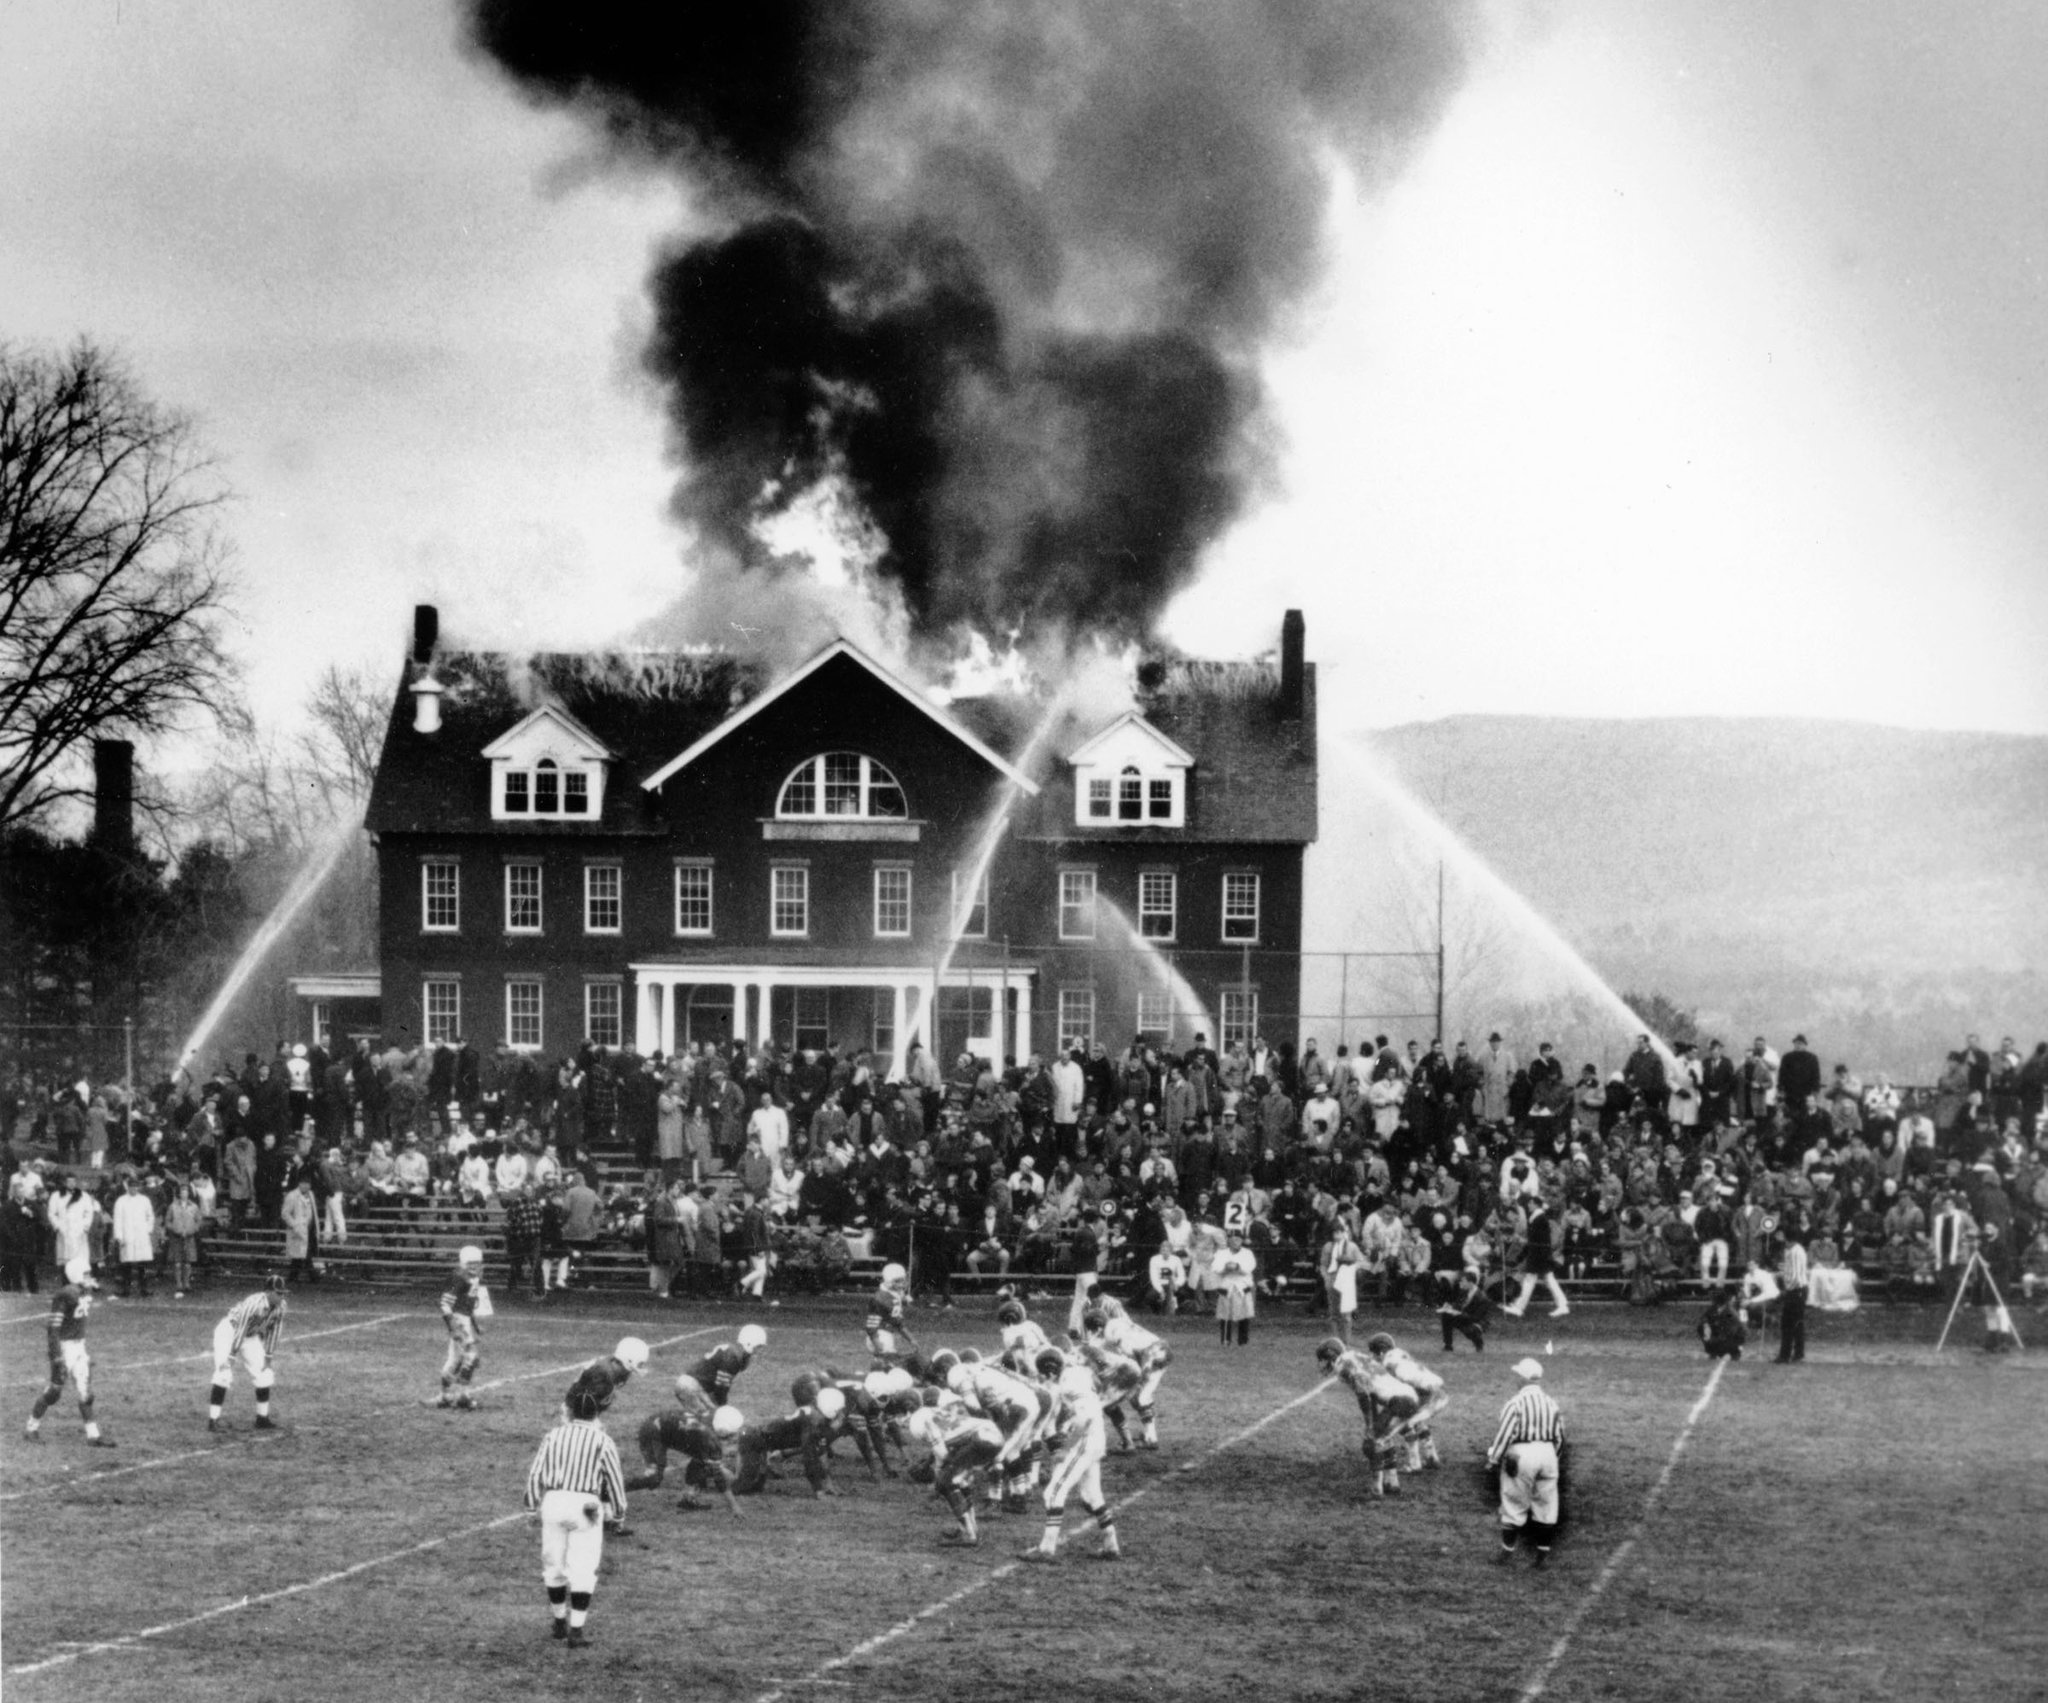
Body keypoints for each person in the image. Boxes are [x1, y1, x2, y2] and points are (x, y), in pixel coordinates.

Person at [524, 1384, 628, 1649]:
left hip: (555, 1501)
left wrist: (530, 1506)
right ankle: (577, 1630)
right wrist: (618, 1512)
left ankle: (559, 1621)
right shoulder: (602, 1440)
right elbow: (614, 1479)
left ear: (570, 1412)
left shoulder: (553, 1435)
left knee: (553, 1564)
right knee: (583, 1566)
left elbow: (537, 1472)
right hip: (586, 1505)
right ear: (596, 1414)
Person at [1019, 1344, 1120, 1563]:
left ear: (1051, 1371)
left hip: (1086, 1438)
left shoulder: (1069, 1382)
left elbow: (1084, 1420)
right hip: (1096, 1437)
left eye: (1046, 1374)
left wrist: (1064, 1449)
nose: (1046, 1379)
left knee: (1053, 1492)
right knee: (1092, 1495)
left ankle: (1046, 1549)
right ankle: (1111, 1543)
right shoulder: (1077, 1373)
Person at [25, 1258, 115, 1448]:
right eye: (85, 1274)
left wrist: (90, 1283)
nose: (89, 1277)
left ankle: (93, 1435)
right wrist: (56, 1354)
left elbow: (95, 1290)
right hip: (64, 1347)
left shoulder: (82, 1290)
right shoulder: (66, 1294)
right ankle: (31, 1428)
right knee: (54, 1392)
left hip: (79, 1346)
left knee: (86, 1393)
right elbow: (53, 1327)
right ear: (76, 1275)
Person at [1316, 1336, 1420, 1497]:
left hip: (1400, 1401)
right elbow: (1370, 1391)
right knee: (1383, 1437)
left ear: (1331, 1355)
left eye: (1323, 1358)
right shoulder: (1356, 1356)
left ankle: (1376, 1488)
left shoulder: (1344, 1365)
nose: (1322, 1363)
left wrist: (1369, 1424)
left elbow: (1364, 1395)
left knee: (1372, 1442)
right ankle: (1391, 1482)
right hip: (1407, 1398)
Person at [1488, 1358, 1566, 1566]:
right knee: (1547, 1504)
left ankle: (1506, 1552)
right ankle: (1542, 1556)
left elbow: (1505, 1434)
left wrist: (1494, 1459)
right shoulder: (1552, 1403)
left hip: (1522, 1453)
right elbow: (1560, 1436)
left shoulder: (1515, 1403)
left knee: (1514, 1501)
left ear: (1522, 1379)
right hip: (1548, 1453)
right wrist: (1553, 1459)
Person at [625, 1383, 743, 1514]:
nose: (735, 1436)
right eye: (733, 1434)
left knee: (701, 1460)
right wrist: (734, 1506)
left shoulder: (713, 1418)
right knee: (654, 1478)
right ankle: (614, 1489)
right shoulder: (711, 1440)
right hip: (654, 1433)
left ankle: (689, 1498)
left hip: (659, 1425)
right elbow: (719, 1478)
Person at [208, 1275, 287, 1431]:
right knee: (223, 1373)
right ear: (269, 1292)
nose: (281, 1296)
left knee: (264, 1373)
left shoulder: (281, 1306)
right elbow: (241, 1328)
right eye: (278, 1293)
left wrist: (268, 1356)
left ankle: (262, 1418)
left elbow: (275, 1330)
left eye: (283, 1293)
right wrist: (231, 1356)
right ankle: (213, 1420)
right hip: (229, 1331)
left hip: (250, 1336)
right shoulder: (253, 1304)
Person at [1501, 1199, 1569, 1320]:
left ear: (1536, 1205)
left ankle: (1519, 1308)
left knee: (1531, 1281)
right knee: (1546, 1280)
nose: (1528, 1205)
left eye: (1530, 1203)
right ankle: (1562, 1305)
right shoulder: (1538, 1218)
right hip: (1540, 1256)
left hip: (1539, 1257)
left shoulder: (1539, 1219)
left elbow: (1539, 1242)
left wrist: (1523, 1242)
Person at [438, 1244, 487, 1410]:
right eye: (471, 1263)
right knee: (471, 1357)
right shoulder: (459, 1278)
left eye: (477, 1263)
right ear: (463, 1263)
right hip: (458, 1321)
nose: (475, 1267)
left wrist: (475, 1325)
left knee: (455, 1359)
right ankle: (463, 1396)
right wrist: (453, 1328)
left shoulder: (473, 1279)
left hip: (463, 1320)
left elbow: (468, 1306)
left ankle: (445, 1396)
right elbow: (445, 1304)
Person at [687, 1324, 766, 1406]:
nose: (759, 1350)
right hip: (692, 1386)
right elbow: (721, 1387)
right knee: (710, 1414)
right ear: (749, 1343)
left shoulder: (734, 1352)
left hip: (694, 1385)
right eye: (758, 1346)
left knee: (711, 1412)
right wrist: (723, 1405)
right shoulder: (732, 1357)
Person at [111, 1175, 156, 1298]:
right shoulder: (121, 1201)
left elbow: (150, 1216)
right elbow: (117, 1220)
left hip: (141, 1235)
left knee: (142, 1265)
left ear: (138, 1187)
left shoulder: (144, 1200)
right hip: (127, 1236)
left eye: (136, 1187)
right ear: (128, 1188)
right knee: (126, 1265)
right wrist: (119, 1237)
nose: (133, 1189)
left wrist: (147, 1230)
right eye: (131, 1187)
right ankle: (125, 1290)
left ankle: (144, 1289)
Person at [1213, 1229, 1257, 1346]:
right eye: (1232, 1239)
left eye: (1237, 1239)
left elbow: (1249, 1267)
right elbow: (1216, 1267)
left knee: (1243, 1314)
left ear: (1241, 1240)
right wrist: (1226, 1268)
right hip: (1227, 1284)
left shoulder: (1247, 1253)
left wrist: (1237, 1266)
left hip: (1242, 1285)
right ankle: (1225, 1340)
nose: (1234, 1242)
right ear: (1228, 1241)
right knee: (1225, 1314)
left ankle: (1243, 1341)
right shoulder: (1221, 1253)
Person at [1775, 1234, 1810, 1365]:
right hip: (1796, 1289)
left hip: (1797, 1290)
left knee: (1788, 1323)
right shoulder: (1789, 1250)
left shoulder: (1796, 1251)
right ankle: (1797, 1353)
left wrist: (1786, 1290)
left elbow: (1795, 1276)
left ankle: (1786, 1355)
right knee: (1796, 1323)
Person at [1698, 1291, 1747, 1360]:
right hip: (1721, 1334)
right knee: (1701, 1327)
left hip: (1732, 1338)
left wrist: (1712, 1340)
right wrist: (1706, 1326)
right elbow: (1704, 1317)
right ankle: (1713, 1351)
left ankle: (1733, 1352)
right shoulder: (1714, 1308)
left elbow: (1731, 1332)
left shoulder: (1730, 1313)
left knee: (1721, 1341)